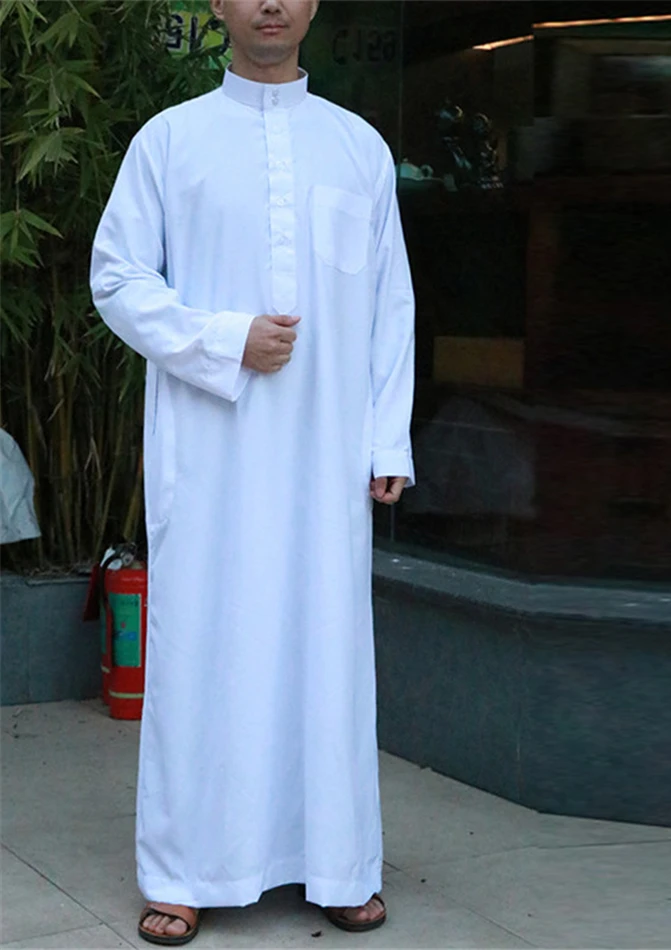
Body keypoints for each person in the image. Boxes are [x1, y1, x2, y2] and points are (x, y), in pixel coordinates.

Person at [90, 0, 414, 943]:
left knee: (327, 649)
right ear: (219, 8)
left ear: (311, 6)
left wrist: (386, 440)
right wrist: (225, 339)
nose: (270, 3)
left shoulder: (357, 147)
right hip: (211, 448)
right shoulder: (169, 141)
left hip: (325, 454)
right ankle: (185, 870)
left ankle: (339, 863)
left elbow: (390, 300)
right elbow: (117, 277)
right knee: (203, 645)